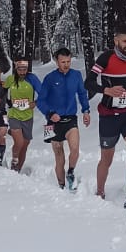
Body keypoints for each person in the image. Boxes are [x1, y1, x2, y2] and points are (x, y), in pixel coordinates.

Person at [87, 26, 126, 211]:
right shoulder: (106, 57)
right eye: (125, 41)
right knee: (106, 160)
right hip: (109, 116)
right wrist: (107, 90)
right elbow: (87, 82)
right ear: (116, 41)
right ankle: (100, 192)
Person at [37, 46, 90, 191]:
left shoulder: (76, 75)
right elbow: (40, 101)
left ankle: (71, 172)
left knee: (75, 150)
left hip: (70, 119)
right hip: (53, 122)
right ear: (56, 61)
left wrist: (86, 111)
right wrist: (50, 114)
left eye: (68, 61)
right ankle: (61, 187)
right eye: (63, 62)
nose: (66, 65)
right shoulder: (49, 78)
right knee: (59, 157)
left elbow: (82, 94)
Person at [2, 56, 42, 173]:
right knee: (19, 142)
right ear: (16, 68)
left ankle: (17, 171)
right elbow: (2, 91)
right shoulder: (11, 79)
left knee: (24, 145)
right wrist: (4, 103)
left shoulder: (32, 79)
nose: (22, 72)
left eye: (25, 69)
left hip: (28, 116)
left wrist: (36, 102)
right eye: (20, 69)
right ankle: (14, 162)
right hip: (14, 115)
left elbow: (43, 93)